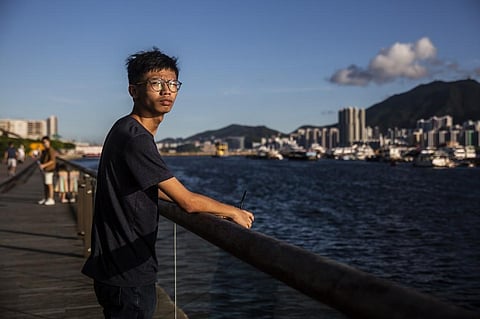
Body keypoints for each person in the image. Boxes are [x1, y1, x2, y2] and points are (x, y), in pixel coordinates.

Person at [81, 48, 254, 319]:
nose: (167, 91)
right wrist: (233, 211)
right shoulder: (136, 138)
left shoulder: (123, 128)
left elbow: (153, 190)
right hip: (127, 273)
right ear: (133, 91)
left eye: (173, 83)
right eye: (156, 83)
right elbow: (186, 201)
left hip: (113, 267)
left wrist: (215, 210)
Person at [38, 136, 56, 205]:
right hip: (45, 169)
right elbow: (42, 159)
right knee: (45, 184)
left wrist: (43, 165)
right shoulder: (45, 150)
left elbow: (52, 161)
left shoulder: (51, 150)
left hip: (49, 169)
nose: (44, 144)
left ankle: (51, 199)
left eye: (45, 142)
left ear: (49, 142)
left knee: (49, 184)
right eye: (43, 142)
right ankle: (46, 198)